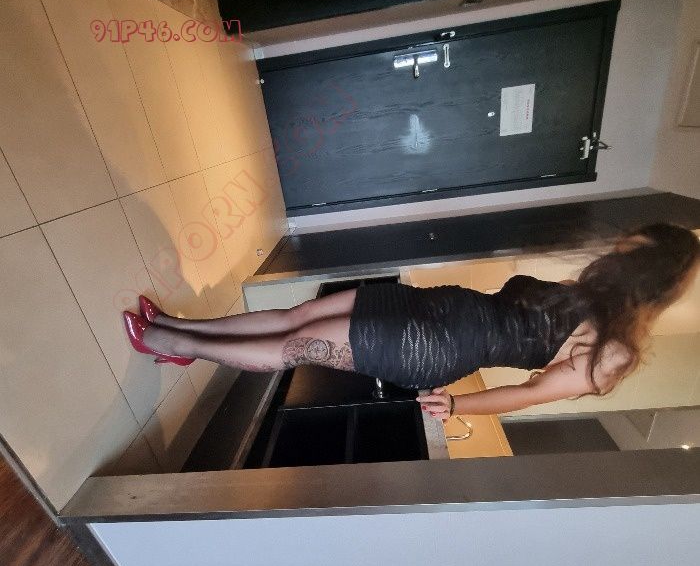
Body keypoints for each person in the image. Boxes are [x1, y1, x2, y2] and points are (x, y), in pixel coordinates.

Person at [123, 223, 699, 419]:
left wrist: (459, 405)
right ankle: (181, 329)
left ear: (651, 267)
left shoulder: (616, 351)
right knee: (298, 315)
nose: (622, 245)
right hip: (434, 306)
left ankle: (170, 341)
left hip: (432, 346)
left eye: (636, 248)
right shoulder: (593, 293)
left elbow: (533, 392)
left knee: (296, 345)